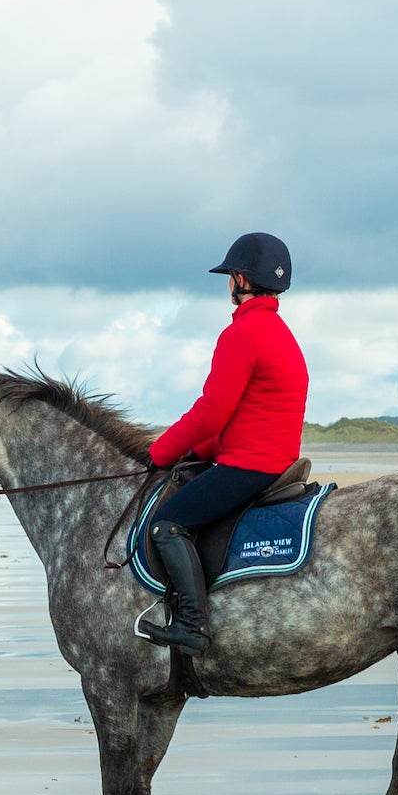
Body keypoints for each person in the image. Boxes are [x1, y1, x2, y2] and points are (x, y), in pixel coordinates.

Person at [139, 232, 309, 654]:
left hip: (251, 465)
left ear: (239, 279)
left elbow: (212, 411)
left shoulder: (242, 333)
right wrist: (198, 453)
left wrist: (158, 452)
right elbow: (244, 416)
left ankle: (192, 625)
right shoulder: (280, 332)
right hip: (268, 457)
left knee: (166, 524)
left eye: (229, 277)